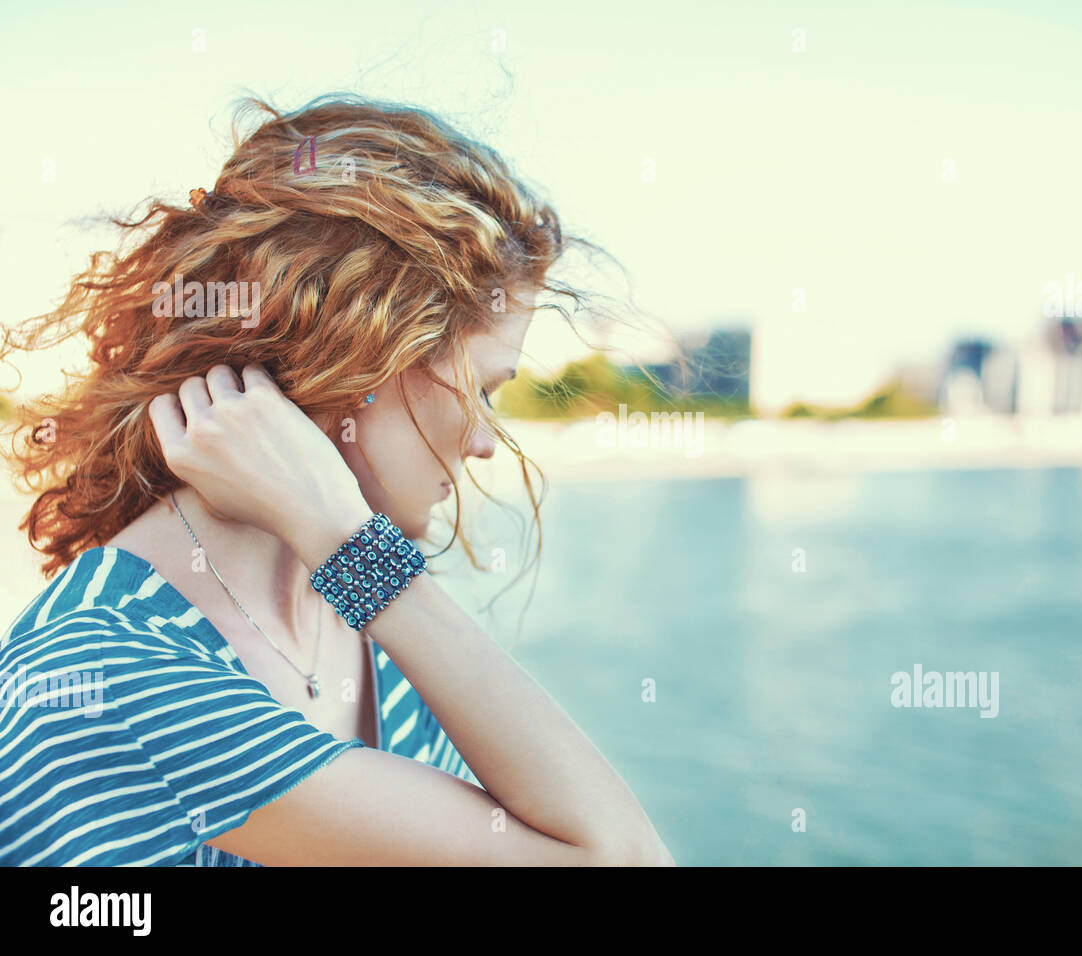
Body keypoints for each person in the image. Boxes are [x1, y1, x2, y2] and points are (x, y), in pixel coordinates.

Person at [0, 94, 674, 866]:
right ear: (360, 359)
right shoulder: (114, 664)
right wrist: (353, 544)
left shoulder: (356, 619)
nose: (487, 440)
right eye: (483, 389)